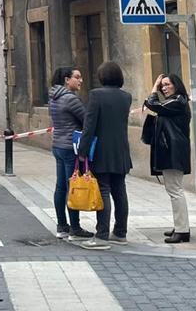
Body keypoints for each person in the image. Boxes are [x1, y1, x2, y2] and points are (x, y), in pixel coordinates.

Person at [77, 61, 133, 250]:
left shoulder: (96, 95)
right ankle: (120, 232)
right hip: (121, 150)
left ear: (102, 77)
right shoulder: (126, 97)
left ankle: (101, 235)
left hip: (101, 151)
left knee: (103, 191)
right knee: (120, 191)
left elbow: (89, 125)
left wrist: (82, 151)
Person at [144, 73, 191, 243]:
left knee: (175, 190)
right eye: (162, 85)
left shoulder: (177, 101)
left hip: (173, 150)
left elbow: (151, 103)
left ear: (176, 85)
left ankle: (182, 230)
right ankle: (181, 226)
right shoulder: (175, 102)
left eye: (166, 84)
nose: (164, 88)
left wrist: (154, 86)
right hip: (172, 150)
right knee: (174, 189)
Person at [49, 66, 92, 241]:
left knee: (60, 187)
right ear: (67, 80)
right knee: (72, 187)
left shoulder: (54, 97)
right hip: (70, 148)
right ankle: (75, 227)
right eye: (77, 77)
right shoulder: (70, 99)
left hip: (58, 145)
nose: (81, 80)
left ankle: (62, 225)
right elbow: (86, 119)